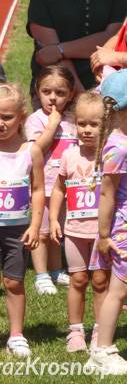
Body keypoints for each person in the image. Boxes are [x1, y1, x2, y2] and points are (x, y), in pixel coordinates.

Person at [0, 83, 45, 358]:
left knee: (14, 282)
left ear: (21, 117)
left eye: (7, 117)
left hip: (18, 229)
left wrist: (36, 225)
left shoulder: (31, 151)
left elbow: (38, 190)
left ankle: (16, 334)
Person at [49, 91, 108, 353]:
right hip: (74, 231)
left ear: (105, 126)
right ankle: (75, 332)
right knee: (78, 279)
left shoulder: (110, 156)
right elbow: (59, 189)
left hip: (101, 232)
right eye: (81, 123)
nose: (86, 130)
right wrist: (53, 218)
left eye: (93, 125)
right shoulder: (69, 156)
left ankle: (100, 330)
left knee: (100, 281)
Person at [85, 69, 127, 374]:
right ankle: (102, 349)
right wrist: (103, 235)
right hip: (123, 230)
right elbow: (107, 196)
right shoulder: (119, 148)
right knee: (119, 290)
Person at [24, 64, 78, 295]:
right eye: (47, 92)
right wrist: (53, 124)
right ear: (38, 91)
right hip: (42, 187)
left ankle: (56, 270)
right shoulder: (35, 120)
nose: (53, 98)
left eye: (60, 93)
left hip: (65, 188)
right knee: (42, 232)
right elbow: (36, 149)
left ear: (71, 95)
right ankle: (41, 274)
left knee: (57, 232)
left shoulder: (73, 121)